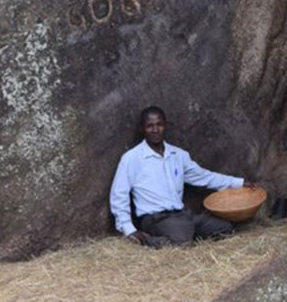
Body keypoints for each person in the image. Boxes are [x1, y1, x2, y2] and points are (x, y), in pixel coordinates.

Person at [109, 106, 256, 247]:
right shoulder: (131, 158)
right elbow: (118, 195)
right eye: (150, 126)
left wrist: (238, 183)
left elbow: (205, 177)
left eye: (159, 124)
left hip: (183, 215)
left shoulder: (178, 155)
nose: (155, 130)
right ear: (142, 129)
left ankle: (183, 235)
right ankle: (147, 240)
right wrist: (129, 229)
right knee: (182, 242)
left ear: (166, 125)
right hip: (155, 219)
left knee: (224, 228)